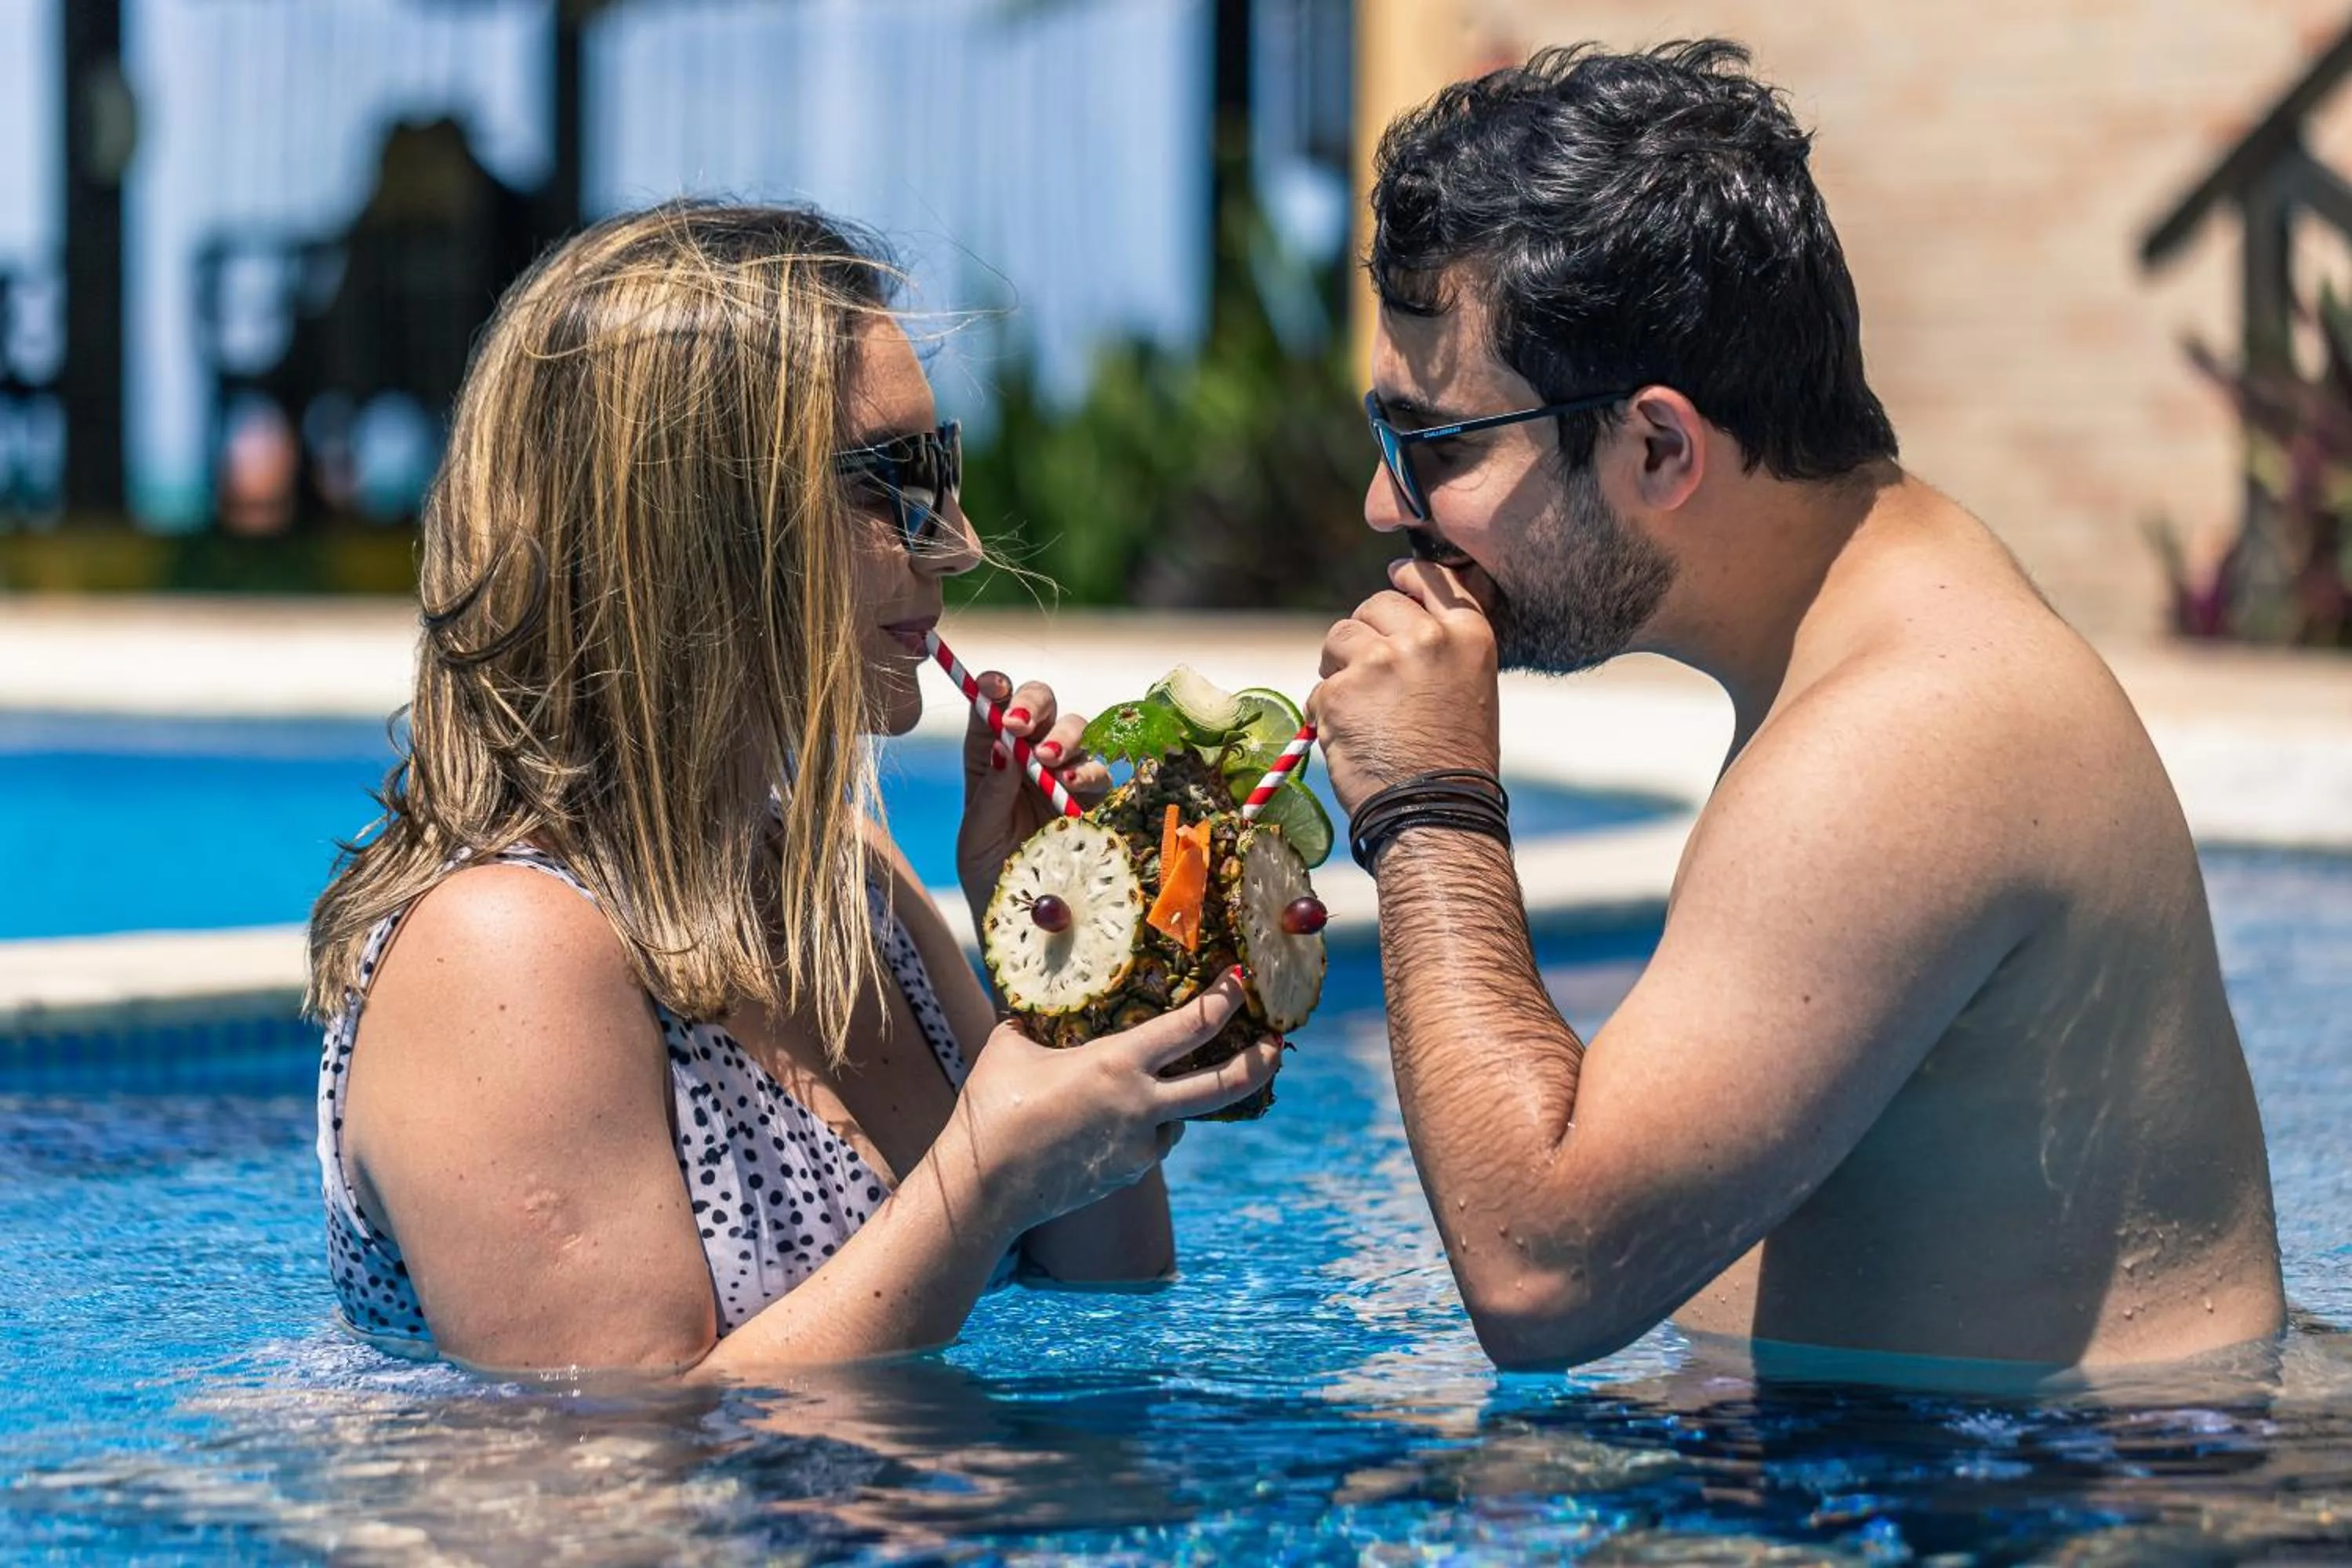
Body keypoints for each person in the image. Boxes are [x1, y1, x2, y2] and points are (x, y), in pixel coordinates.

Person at [1309, 41, 2285, 1373]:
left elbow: (1539, 1277)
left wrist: (1429, 808)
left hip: (2065, 1498)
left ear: (1660, 446)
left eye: (1440, 447)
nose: (1386, 507)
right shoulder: (1879, 631)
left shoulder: (1910, 734)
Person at [306, 202, 1279, 1377]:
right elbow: (618, 1464)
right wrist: (981, 1177)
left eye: (946, 470)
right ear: (692, 527)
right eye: (896, 484)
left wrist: (1051, 967)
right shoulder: (503, 953)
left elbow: (1108, 1290)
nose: (959, 542)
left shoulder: (853, 883)